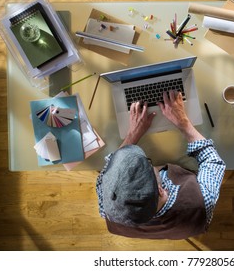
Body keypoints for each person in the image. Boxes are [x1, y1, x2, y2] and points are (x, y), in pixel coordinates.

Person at [96, 90, 226, 239]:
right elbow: (212, 160)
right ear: (160, 190)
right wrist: (183, 123)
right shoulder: (202, 202)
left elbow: (110, 167)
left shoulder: (106, 204)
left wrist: (132, 134)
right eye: (145, 164)